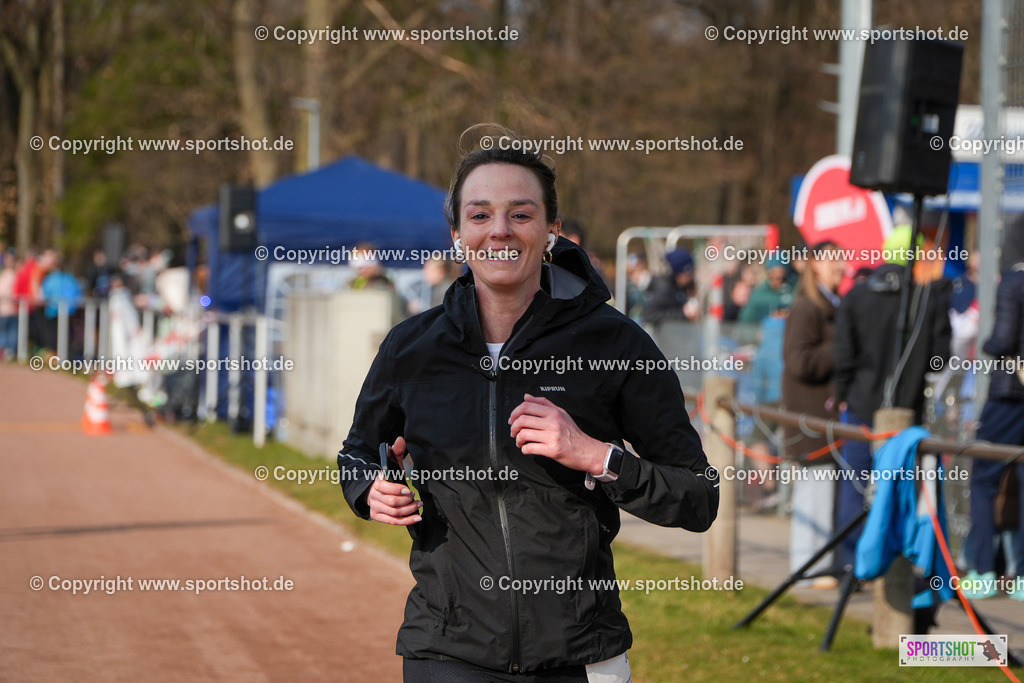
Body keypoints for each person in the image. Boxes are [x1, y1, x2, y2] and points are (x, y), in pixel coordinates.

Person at [337, 132, 718, 682]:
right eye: (480, 214)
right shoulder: (411, 348)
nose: (499, 230)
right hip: (446, 650)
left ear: (551, 230)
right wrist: (371, 488)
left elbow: (699, 497)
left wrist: (595, 456)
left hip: (579, 653)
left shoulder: (615, 344)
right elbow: (356, 454)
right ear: (457, 234)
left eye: (521, 213)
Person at [833, 240, 951, 573]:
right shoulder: (929, 299)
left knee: (855, 486)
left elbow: (843, 355)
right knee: (901, 493)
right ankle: (897, 565)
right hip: (908, 413)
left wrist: (844, 392)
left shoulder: (856, 297)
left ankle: (853, 566)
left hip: (860, 407)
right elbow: (940, 360)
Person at [962, 225, 1024, 600]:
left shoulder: (1013, 283)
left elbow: (1002, 340)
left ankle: (984, 570)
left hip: (1009, 394)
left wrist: (985, 343)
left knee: (984, 478)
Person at [781, 241, 846, 586]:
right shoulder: (808, 308)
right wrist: (842, 346)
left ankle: (815, 567)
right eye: (835, 258)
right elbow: (799, 361)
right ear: (815, 264)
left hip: (823, 418)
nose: (843, 264)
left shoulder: (830, 305)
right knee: (814, 494)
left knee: (823, 494)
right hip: (809, 419)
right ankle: (809, 568)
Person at [644, 248, 699, 324]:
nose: (691, 277)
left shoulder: (682, 287)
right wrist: (683, 313)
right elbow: (650, 315)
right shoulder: (665, 289)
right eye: (688, 274)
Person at [738, 258, 794, 325]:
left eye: (781, 273)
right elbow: (745, 322)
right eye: (774, 272)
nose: (777, 276)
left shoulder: (793, 291)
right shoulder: (758, 294)